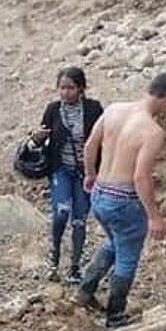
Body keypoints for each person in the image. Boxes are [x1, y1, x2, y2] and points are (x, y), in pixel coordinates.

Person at [76, 72, 166, 327]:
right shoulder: (152, 131)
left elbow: (90, 146)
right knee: (127, 256)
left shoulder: (114, 110)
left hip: (100, 193)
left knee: (114, 242)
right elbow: (141, 177)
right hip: (123, 199)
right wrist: (154, 216)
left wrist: (90, 175)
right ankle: (115, 314)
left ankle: (85, 290)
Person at [30, 67, 104, 283]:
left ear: (81, 89)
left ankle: (75, 266)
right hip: (61, 169)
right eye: (62, 88)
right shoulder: (53, 110)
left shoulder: (93, 109)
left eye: (70, 88)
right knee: (61, 212)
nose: (66, 92)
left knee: (80, 220)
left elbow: (103, 138)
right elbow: (40, 140)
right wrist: (36, 139)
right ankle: (54, 256)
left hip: (85, 172)